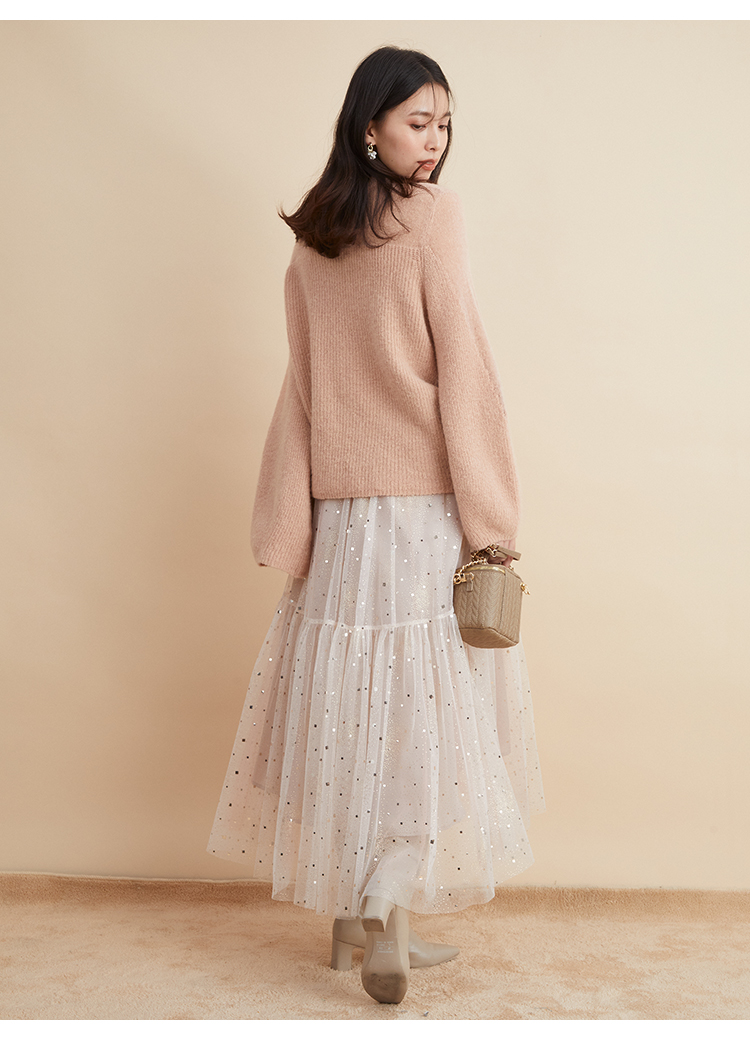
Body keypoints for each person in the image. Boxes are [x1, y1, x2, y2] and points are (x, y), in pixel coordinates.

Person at [207, 45, 544, 1005]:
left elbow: (303, 390)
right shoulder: (432, 218)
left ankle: (359, 923)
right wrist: (491, 515)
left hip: (341, 518)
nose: (435, 142)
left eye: (444, 124)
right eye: (417, 122)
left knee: (353, 711)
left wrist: (293, 518)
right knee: (425, 713)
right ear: (369, 127)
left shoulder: (312, 238)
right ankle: (387, 893)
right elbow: (464, 369)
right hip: (421, 510)